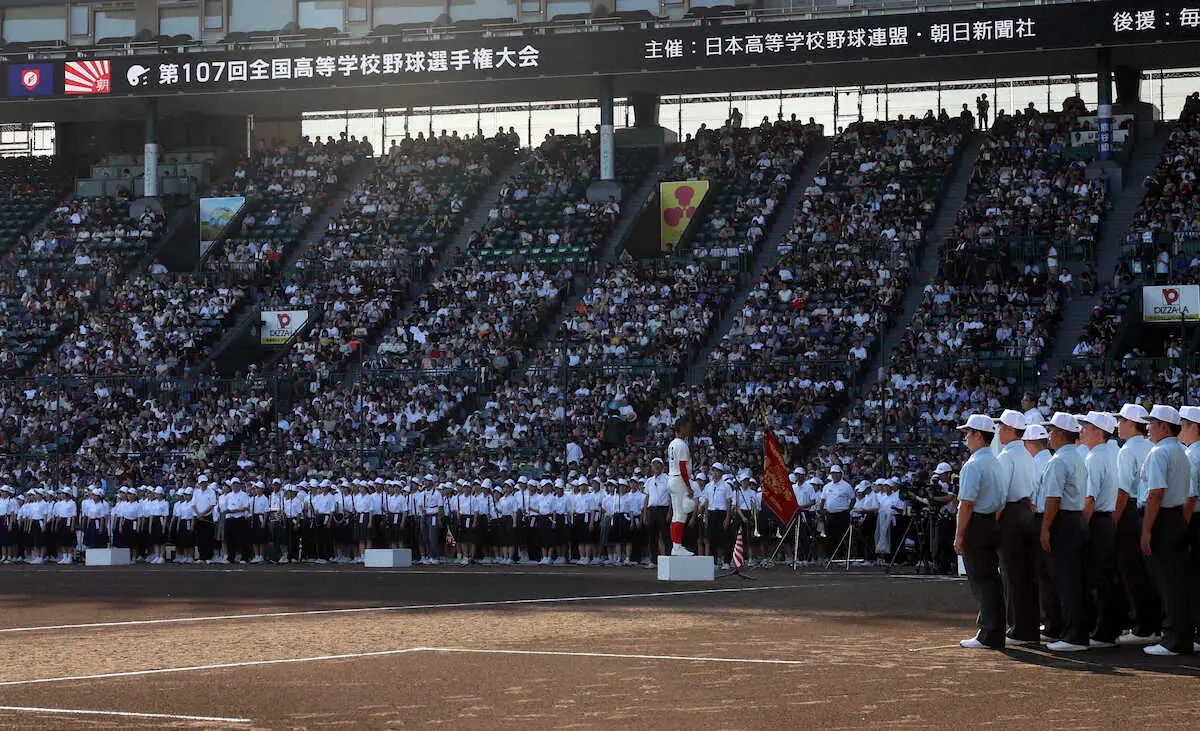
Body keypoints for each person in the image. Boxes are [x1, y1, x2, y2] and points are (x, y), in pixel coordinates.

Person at [1140, 405, 1194, 656]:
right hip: (1176, 518)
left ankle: (1173, 639)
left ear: (1163, 426)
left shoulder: (1159, 453)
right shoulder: (1181, 451)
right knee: (1176, 582)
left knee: (1168, 582)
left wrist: (1146, 530)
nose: (1148, 427)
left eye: (1152, 423)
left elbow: (1155, 494)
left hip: (1163, 519)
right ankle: (1177, 635)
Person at [1038, 412, 1090, 652]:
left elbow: (1052, 499)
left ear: (1059, 433)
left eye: (1051, 431)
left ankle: (1073, 636)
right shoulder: (1077, 457)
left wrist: (1046, 529)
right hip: (1076, 519)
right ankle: (1075, 632)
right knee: (1075, 580)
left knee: (1066, 581)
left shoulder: (1059, 460)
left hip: (1064, 522)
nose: (1049, 435)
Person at [954, 414, 1006, 650]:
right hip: (992, 522)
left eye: (968, 433)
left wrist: (959, 534)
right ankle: (992, 630)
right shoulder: (995, 462)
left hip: (978, 524)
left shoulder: (973, 464)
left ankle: (989, 633)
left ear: (977, 435)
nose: (965, 437)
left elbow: (966, 504)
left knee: (982, 580)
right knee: (991, 579)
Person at [1114, 403, 1161, 644]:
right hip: (1147, 510)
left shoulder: (1127, 449)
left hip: (1131, 511)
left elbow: (1122, 492)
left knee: (1130, 571)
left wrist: (1113, 521)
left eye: (1122, 421)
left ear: (1132, 424)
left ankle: (1143, 626)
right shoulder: (1152, 446)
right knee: (1147, 570)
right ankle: (1153, 624)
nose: (1118, 425)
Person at [994, 410, 1040, 645]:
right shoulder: (1026, 455)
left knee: (1012, 575)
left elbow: (1000, 496)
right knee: (1024, 574)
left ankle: (1018, 629)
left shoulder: (1005, 456)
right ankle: (1027, 627)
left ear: (1012, 430)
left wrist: (994, 522)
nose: (999, 430)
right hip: (1026, 512)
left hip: (1011, 514)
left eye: (1002, 427)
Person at [1078, 411, 1123, 647]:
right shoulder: (1112, 454)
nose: (1082, 431)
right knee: (1106, 577)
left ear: (1099, 432)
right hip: (1107, 520)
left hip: (1096, 521)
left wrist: (1080, 529)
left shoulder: (1094, 457)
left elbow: (1088, 500)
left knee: (1094, 579)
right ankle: (1108, 629)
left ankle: (1101, 631)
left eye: (1087, 427)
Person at [1181, 405, 1200, 652]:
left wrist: (1181, 528)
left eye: (1183, 425)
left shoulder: (1192, 455)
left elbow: (1190, 497)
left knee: (1194, 578)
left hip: (1195, 521)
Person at [666, 418, 697, 556]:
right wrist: (689, 486)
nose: (689, 431)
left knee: (676, 514)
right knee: (682, 513)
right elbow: (683, 468)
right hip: (679, 479)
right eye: (688, 428)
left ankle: (676, 546)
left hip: (672, 479)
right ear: (683, 428)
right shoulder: (682, 445)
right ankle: (677, 547)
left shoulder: (672, 444)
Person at [821, 464, 855, 560]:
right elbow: (823, 499)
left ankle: (841, 556)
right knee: (830, 536)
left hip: (842, 514)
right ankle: (830, 556)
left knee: (842, 535)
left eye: (836, 473)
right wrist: (821, 510)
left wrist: (848, 509)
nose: (834, 475)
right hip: (830, 514)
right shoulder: (827, 486)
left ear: (840, 474)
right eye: (833, 473)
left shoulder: (846, 486)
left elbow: (853, 499)